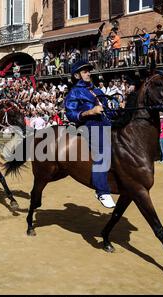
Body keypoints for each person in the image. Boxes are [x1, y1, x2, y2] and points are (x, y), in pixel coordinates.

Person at [64, 60, 116, 209]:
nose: (88, 73)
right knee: (102, 149)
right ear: (77, 75)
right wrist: (90, 112)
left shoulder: (97, 91)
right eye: (85, 71)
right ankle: (101, 191)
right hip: (89, 125)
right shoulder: (74, 92)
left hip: (106, 123)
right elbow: (71, 114)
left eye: (88, 71)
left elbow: (107, 110)